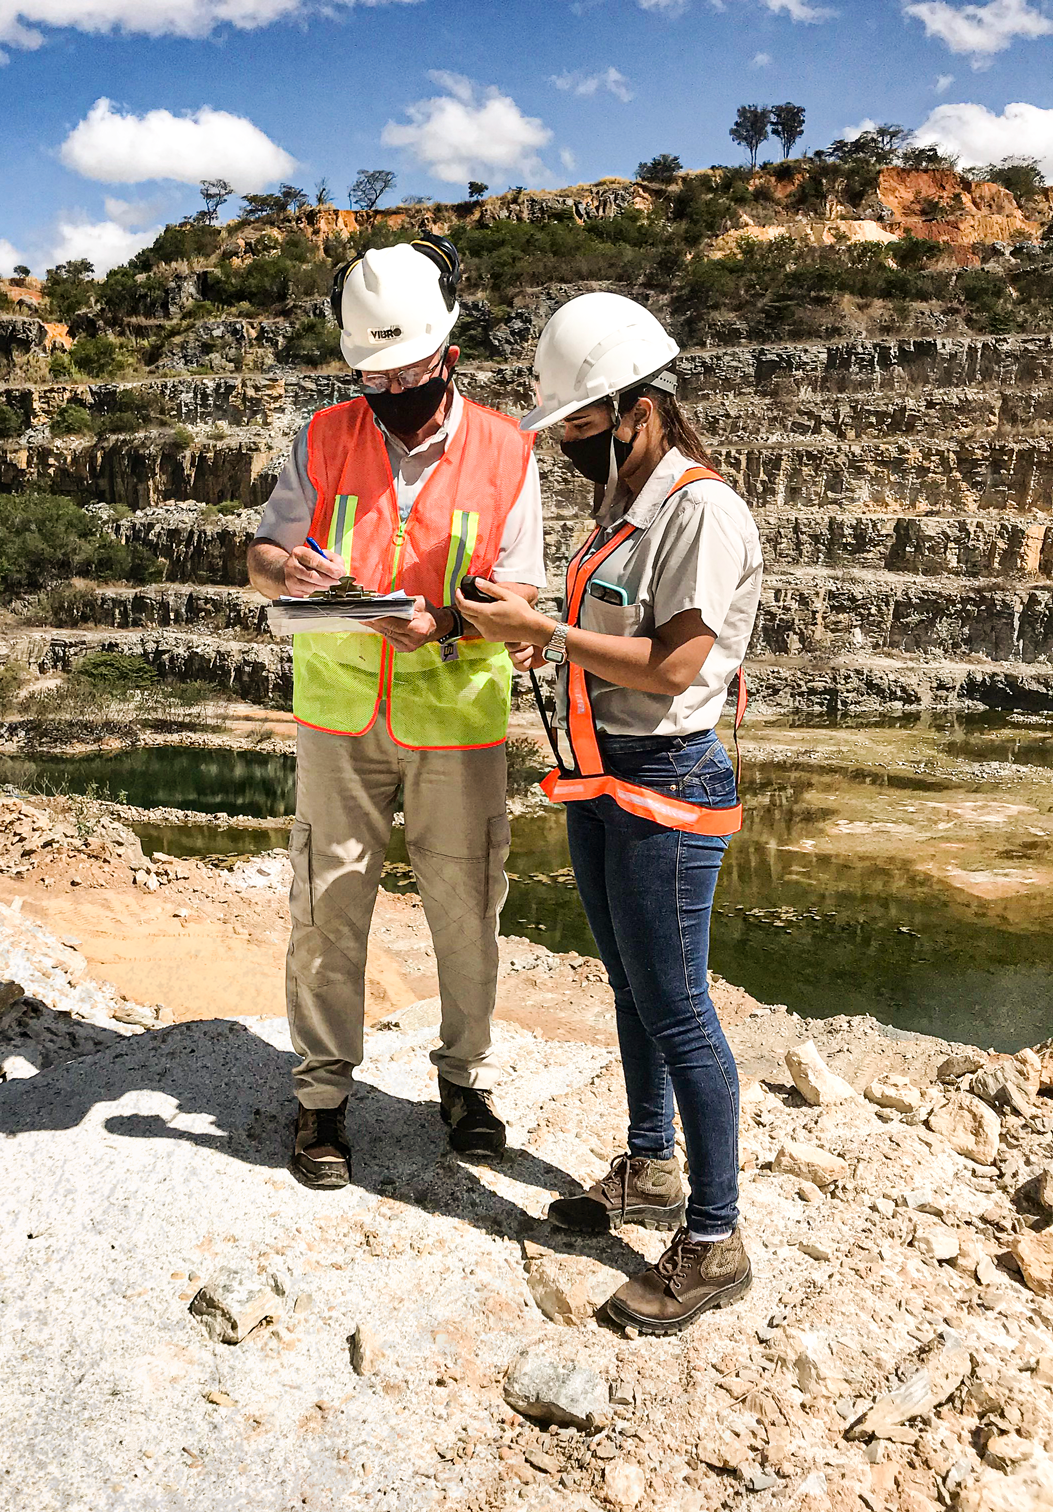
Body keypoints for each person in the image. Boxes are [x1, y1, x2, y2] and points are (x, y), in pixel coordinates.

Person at [458, 292, 763, 1336]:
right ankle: (651, 1167)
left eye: (583, 426)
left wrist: (541, 623)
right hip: (607, 773)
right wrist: (540, 636)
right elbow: (609, 638)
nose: (573, 445)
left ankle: (716, 1241)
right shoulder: (624, 504)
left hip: (668, 781)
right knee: (632, 985)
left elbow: (677, 662)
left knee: (679, 1007)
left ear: (640, 407)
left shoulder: (700, 510)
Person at [247, 235, 545, 1190]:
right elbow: (264, 557)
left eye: (410, 370)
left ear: (449, 350)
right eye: (375, 376)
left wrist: (451, 620)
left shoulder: (509, 450)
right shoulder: (322, 437)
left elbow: (527, 598)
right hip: (339, 717)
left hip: (456, 716)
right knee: (329, 907)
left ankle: (463, 1081)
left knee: (467, 910)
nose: (393, 390)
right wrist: (287, 568)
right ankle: (323, 1099)